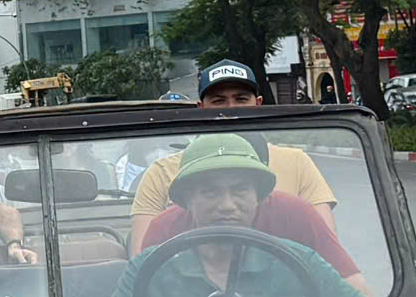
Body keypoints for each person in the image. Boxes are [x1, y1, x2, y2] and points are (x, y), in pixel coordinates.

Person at [117, 134, 368, 297]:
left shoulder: (300, 262)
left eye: (240, 190)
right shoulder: (149, 268)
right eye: (210, 192)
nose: (227, 205)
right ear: (187, 200)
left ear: (259, 197)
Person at [129, 61, 338, 250]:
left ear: (258, 104)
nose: (231, 109)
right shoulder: (162, 171)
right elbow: (142, 257)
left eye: (241, 99)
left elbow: (327, 246)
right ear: (201, 108)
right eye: (218, 101)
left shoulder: (297, 162)